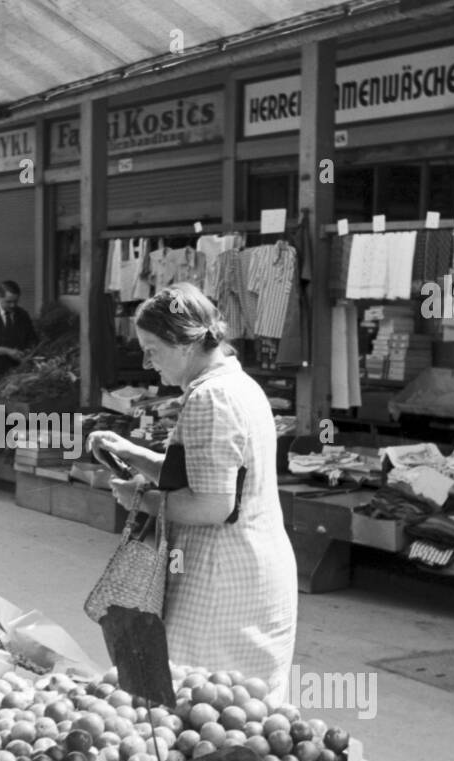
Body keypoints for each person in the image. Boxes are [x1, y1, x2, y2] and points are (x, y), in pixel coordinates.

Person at [87, 283, 297, 692]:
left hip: (223, 577)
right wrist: (134, 454)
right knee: (242, 712)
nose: (148, 363)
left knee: (202, 703)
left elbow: (213, 504)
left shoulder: (210, 399)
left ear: (182, 344)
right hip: (252, 568)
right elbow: (208, 472)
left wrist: (140, 499)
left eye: (152, 349)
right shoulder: (238, 386)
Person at [0, 279, 38, 384]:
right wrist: (8, 351)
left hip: (19, 373)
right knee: (0, 401)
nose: (13, 305)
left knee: (15, 400)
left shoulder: (23, 315)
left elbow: (32, 339)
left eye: (16, 302)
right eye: (9, 302)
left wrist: (27, 352)